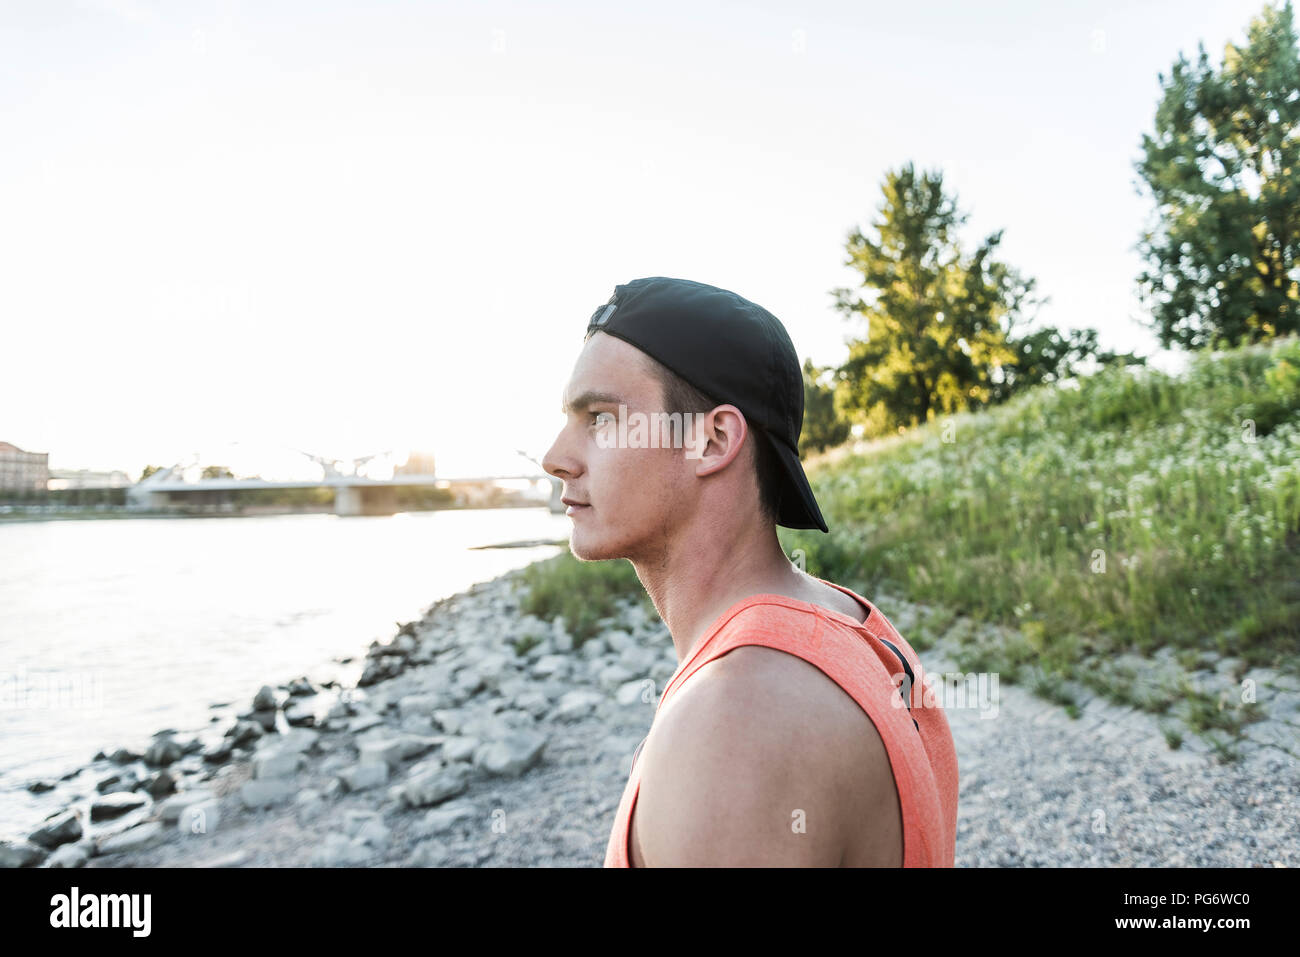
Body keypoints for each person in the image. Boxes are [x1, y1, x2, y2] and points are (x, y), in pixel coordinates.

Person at [541, 276, 958, 867]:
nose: (555, 457)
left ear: (712, 441)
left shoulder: (737, 723)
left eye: (600, 419)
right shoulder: (849, 624)